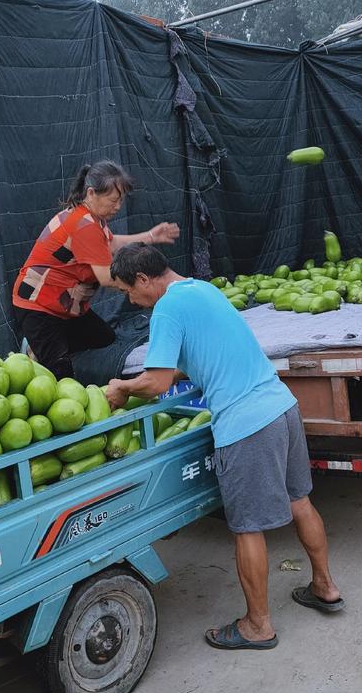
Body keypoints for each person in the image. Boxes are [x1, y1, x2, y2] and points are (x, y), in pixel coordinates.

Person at [104, 243, 343, 651]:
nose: (131, 300)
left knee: (247, 527)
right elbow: (201, 355)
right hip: (281, 406)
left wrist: (122, 387)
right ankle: (324, 587)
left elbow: (156, 383)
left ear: (144, 279)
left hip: (246, 424)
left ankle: (257, 625)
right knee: (299, 500)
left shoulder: (165, 309)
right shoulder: (202, 289)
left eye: (128, 291)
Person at [12, 160, 179, 379]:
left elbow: (110, 243)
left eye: (121, 200)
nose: (118, 207)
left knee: (105, 340)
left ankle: (45, 349)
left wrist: (150, 237)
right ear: (91, 193)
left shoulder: (90, 218)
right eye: (113, 200)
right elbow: (105, 277)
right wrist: (140, 282)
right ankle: (39, 353)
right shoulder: (84, 225)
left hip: (68, 307)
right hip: (40, 307)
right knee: (60, 373)